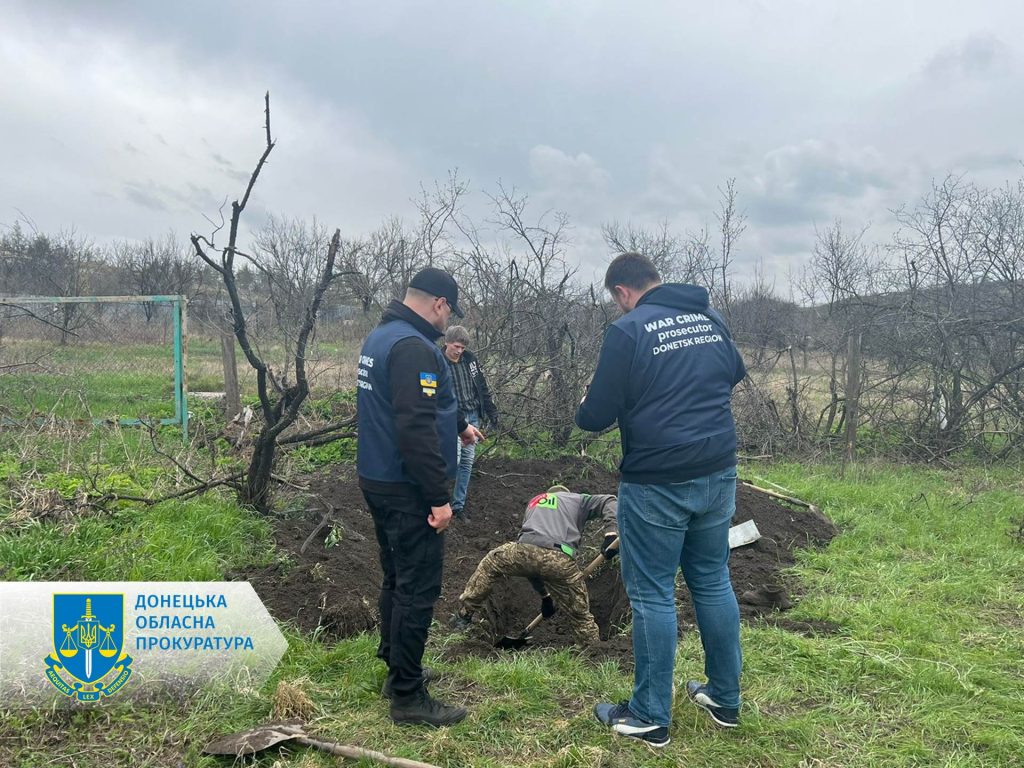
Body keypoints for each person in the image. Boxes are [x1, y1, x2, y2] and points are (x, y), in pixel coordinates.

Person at [576, 252, 747, 748]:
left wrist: (601, 396)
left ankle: (650, 715)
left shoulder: (629, 331)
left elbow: (593, 416)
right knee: (713, 581)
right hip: (718, 470)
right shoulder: (709, 318)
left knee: (652, 593)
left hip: (657, 479)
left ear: (622, 293)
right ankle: (724, 698)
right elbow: (732, 374)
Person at [356, 266, 484, 727]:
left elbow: (415, 404)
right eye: (448, 314)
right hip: (407, 486)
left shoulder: (382, 337)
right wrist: (438, 497)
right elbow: (413, 427)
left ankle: (397, 668)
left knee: (396, 577)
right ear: (440, 305)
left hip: (376, 476)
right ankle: (408, 697)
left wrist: (460, 425)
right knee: (419, 588)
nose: (446, 324)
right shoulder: (414, 349)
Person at [451, 485, 618, 646]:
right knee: (579, 613)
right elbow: (610, 500)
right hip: (560, 560)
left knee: (491, 563)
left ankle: (464, 614)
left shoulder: (535, 501)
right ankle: (592, 649)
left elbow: (532, 564)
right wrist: (611, 533)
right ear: (566, 493)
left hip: (525, 551)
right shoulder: (577, 499)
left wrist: (545, 597)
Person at [442, 325, 499, 518]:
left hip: (472, 414)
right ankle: (437, 502)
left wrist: (491, 411)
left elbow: (481, 386)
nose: (459, 351)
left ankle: (458, 506)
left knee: (466, 462)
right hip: (452, 418)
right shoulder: (437, 361)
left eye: (462, 348)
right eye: (456, 346)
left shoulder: (470, 361)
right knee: (453, 460)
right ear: (447, 342)